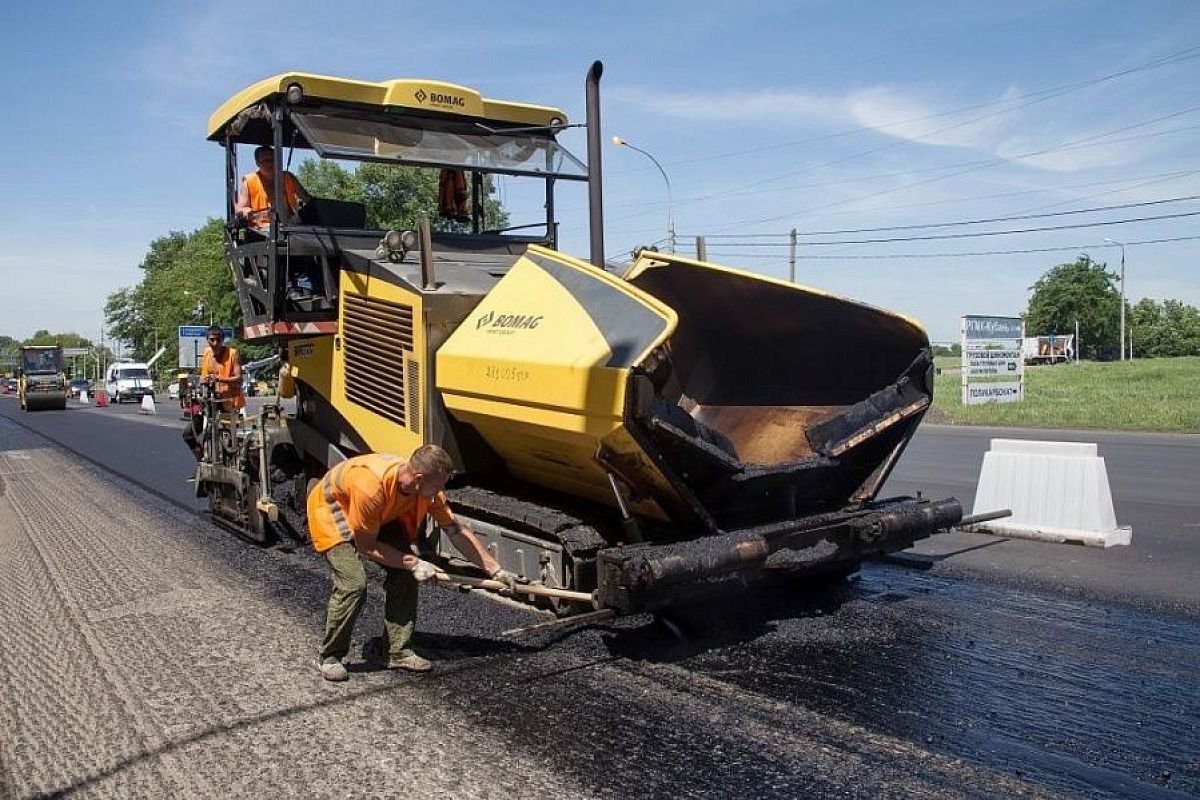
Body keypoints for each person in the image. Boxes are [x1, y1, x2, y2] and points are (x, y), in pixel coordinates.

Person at [307, 446, 517, 681]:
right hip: (335, 510)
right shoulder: (369, 486)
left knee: (405, 573)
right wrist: (413, 562)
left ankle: (397, 651)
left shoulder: (425, 490)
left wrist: (494, 569)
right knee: (354, 584)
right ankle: (331, 656)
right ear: (418, 479)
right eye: (438, 485)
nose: (440, 491)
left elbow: (455, 530)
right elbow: (367, 547)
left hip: (376, 516)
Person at [234, 145, 311, 232]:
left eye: (272, 160)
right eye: (266, 161)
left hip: (290, 225)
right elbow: (240, 208)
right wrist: (246, 211)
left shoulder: (288, 177)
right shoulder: (249, 180)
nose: (270, 164)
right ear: (257, 163)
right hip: (262, 230)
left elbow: (308, 200)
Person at [199, 325, 245, 413]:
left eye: (218, 340)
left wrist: (219, 379)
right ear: (207, 340)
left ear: (223, 340)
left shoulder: (233, 354)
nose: (215, 343)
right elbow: (204, 375)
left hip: (229, 399)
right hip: (211, 397)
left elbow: (238, 378)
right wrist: (203, 380)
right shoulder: (206, 353)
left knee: (226, 424)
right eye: (212, 340)